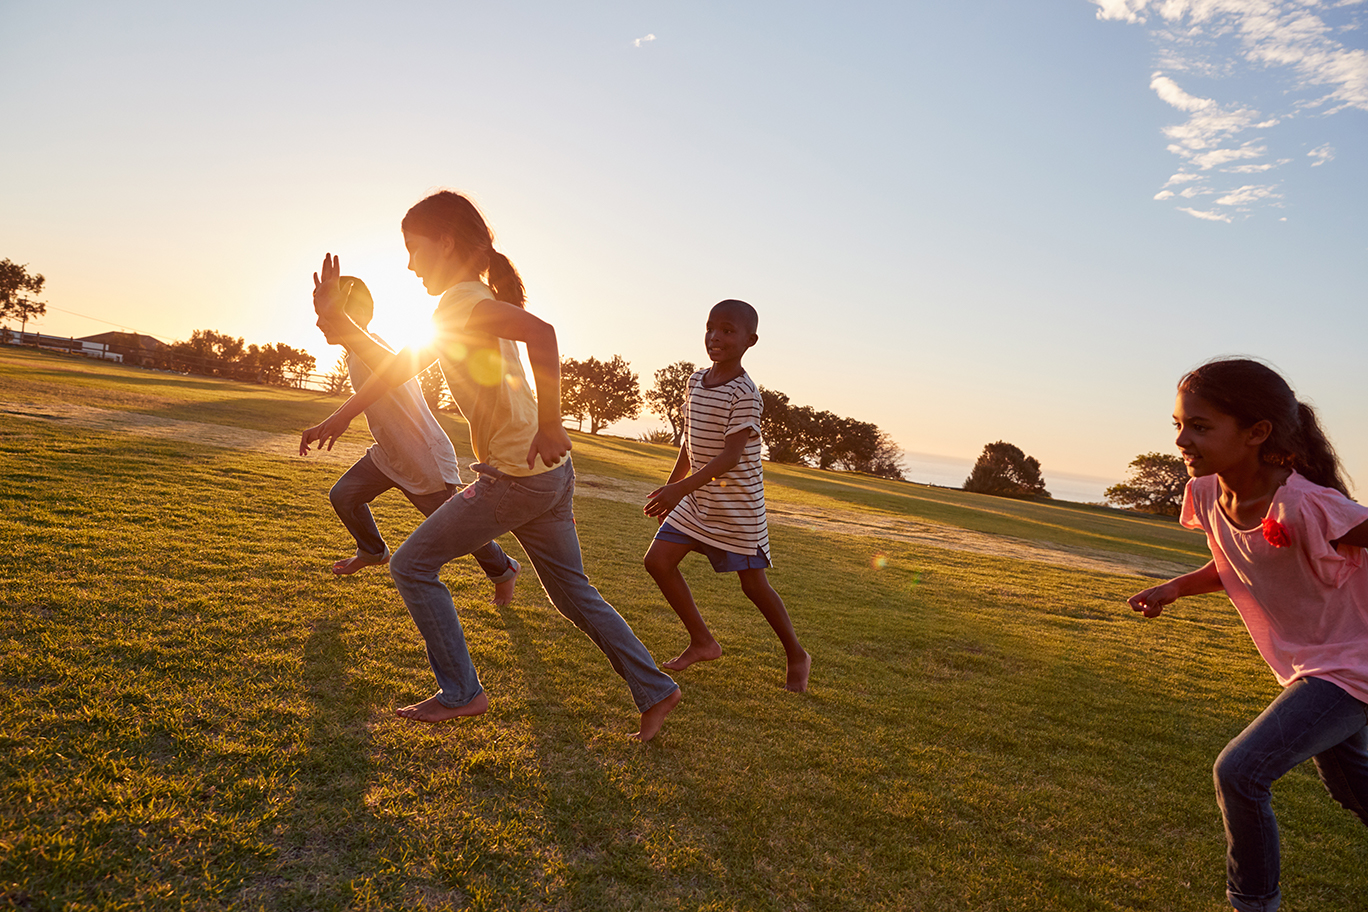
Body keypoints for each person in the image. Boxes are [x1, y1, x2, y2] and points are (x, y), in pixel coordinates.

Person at [300, 190, 680, 741]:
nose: (408, 264)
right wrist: (340, 415)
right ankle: (656, 690)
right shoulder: (465, 301)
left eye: (414, 249)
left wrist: (552, 421)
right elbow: (397, 368)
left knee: (410, 566)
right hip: (547, 475)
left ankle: (461, 693)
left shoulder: (458, 302)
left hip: (515, 475)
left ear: (446, 242)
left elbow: (542, 333)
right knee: (573, 593)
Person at [1128, 358, 1368, 912]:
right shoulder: (1210, 495)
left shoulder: (1309, 504)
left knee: (1240, 771)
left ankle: (1252, 904)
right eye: (1178, 425)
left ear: (1258, 433)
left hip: (1352, 668)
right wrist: (1176, 589)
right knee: (1353, 787)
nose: (1183, 439)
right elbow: (1238, 561)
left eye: (1201, 426)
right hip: (1311, 666)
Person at [309, 275, 519, 606]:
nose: (321, 322)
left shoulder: (373, 350)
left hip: (423, 459)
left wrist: (340, 417)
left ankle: (504, 570)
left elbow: (390, 368)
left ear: (357, 317)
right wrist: (336, 417)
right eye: (320, 313)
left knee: (459, 531)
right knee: (344, 495)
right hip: (388, 456)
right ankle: (373, 551)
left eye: (331, 313)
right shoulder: (353, 355)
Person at [642, 299, 810, 692]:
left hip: (738, 508)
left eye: (728, 331)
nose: (715, 337)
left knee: (753, 586)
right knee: (657, 562)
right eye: (710, 328)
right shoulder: (694, 382)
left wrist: (677, 489)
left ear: (750, 340)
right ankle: (703, 641)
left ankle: (796, 654)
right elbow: (690, 442)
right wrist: (672, 488)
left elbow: (731, 457)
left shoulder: (745, 394)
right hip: (695, 498)